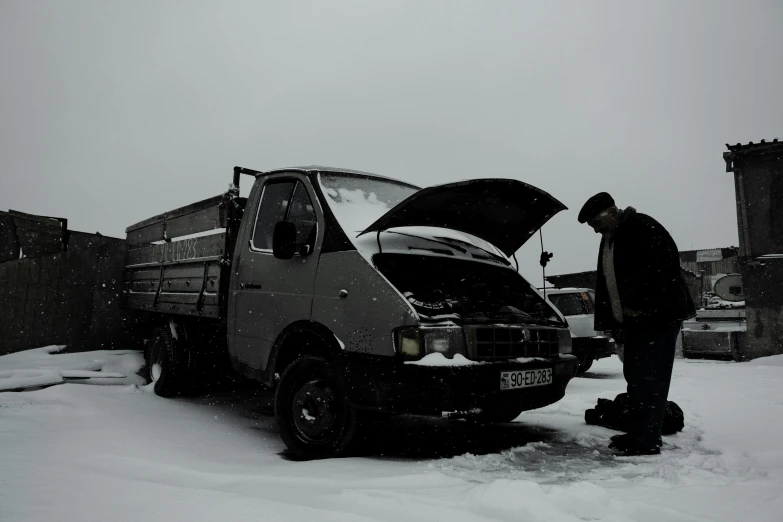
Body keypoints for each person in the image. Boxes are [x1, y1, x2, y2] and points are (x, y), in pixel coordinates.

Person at [578, 193, 695, 456]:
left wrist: (643, 307)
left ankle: (646, 440)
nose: (596, 229)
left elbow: (664, 273)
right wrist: (616, 324)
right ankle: (640, 433)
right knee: (637, 378)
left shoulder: (643, 227)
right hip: (634, 323)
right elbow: (608, 283)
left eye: (597, 222)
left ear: (612, 212)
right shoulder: (610, 239)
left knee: (649, 379)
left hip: (655, 320)